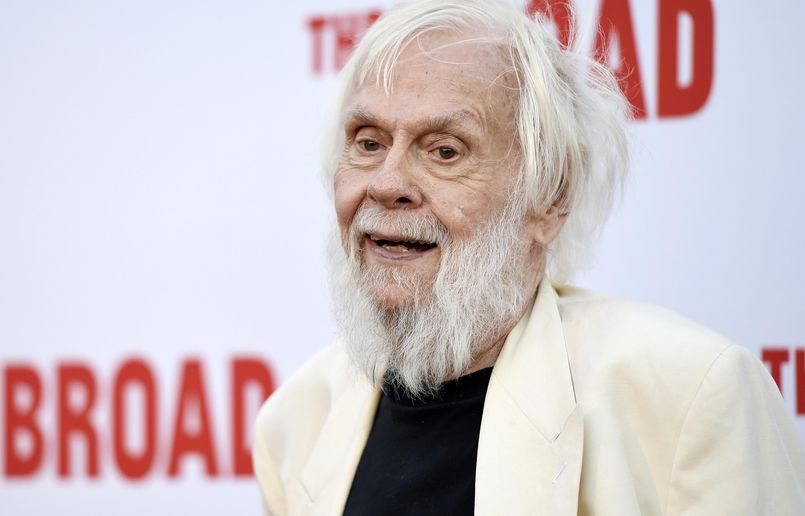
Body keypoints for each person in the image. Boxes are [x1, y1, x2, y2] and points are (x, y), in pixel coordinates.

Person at [252, 0, 805, 514]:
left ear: (550, 199)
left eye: (445, 151)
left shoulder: (687, 397)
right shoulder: (296, 422)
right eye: (368, 142)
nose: (387, 182)